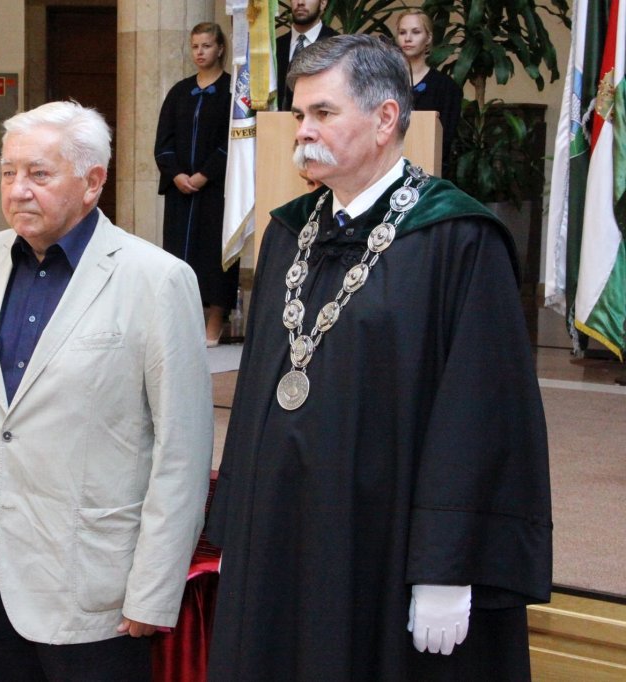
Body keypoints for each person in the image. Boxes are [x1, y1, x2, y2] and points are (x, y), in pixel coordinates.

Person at [207, 35, 551, 681]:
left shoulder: (457, 239)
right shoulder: (289, 232)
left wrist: (448, 566)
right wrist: (237, 532)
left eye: (323, 113)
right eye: (299, 114)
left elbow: (479, 418)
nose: (303, 131)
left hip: (387, 544)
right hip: (282, 537)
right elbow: (256, 398)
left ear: (386, 117)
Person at [0, 100, 213, 681]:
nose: (18, 190)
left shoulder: (157, 281)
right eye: (8, 172)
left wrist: (154, 588)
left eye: (39, 173)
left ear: (92, 182)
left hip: (94, 589)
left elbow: (181, 451)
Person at [154, 22, 238, 346]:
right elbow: (164, 141)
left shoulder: (231, 91)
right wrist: (176, 174)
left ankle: (215, 320)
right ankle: (182, 320)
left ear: (220, 48)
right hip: (181, 191)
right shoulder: (179, 92)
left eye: (206, 46)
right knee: (178, 255)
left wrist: (205, 174)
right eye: (195, 46)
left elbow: (233, 140)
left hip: (214, 190)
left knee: (214, 255)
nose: (200, 52)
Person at [396, 8, 464, 178]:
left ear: (428, 38)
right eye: (402, 32)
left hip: (429, 175)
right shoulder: (385, 83)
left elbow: (446, 140)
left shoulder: (446, 87)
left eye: (416, 32)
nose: (408, 38)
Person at [276, 0, 338, 111]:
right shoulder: (275, 47)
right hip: (277, 120)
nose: (300, 2)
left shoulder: (338, 46)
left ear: (323, 3)